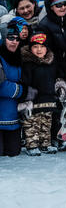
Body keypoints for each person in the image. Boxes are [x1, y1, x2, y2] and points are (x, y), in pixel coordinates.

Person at [38, 0, 66, 150]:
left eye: (64, 3)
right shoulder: (45, 25)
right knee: (58, 105)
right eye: (57, 5)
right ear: (50, 7)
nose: (62, 7)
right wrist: (57, 76)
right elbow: (47, 54)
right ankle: (56, 136)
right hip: (56, 71)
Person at [20, 30, 66, 156]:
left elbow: (58, 77)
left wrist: (60, 87)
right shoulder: (28, 64)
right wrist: (27, 94)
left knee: (46, 123)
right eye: (35, 47)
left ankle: (45, 144)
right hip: (34, 101)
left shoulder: (51, 63)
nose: (39, 50)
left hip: (48, 100)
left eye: (42, 46)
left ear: (47, 48)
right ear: (30, 49)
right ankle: (32, 145)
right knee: (32, 124)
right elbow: (25, 81)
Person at [0, 20, 32, 156]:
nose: (14, 41)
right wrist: (22, 91)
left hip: (13, 116)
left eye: (17, 38)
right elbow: (1, 86)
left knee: (14, 152)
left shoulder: (20, 57)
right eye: (10, 38)